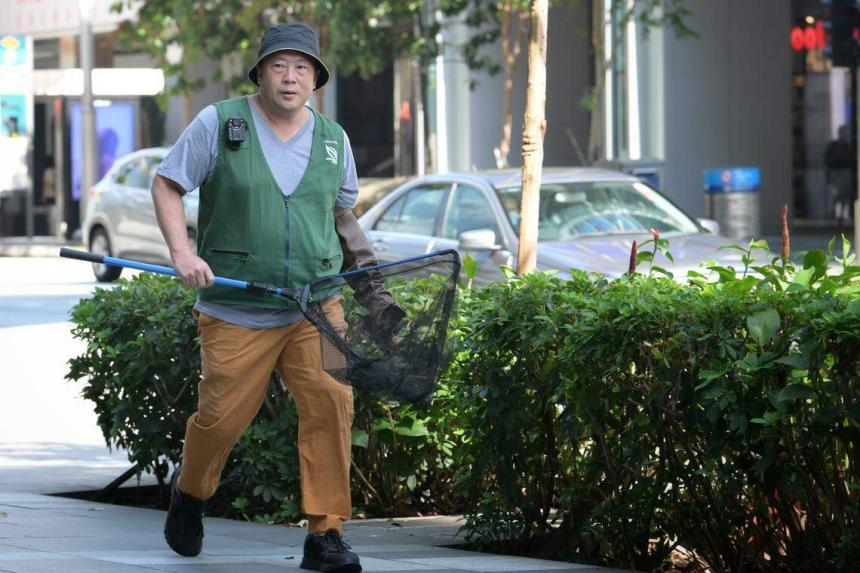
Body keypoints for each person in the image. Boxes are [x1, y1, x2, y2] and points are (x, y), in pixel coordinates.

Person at [151, 22, 400, 572]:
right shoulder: (220, 123)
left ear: (316, 79)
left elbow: (342, 219)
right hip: (236, 307)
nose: (290, 77)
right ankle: (190, 493)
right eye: (279, 66)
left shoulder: (334, 140)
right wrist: (182, 253)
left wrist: (374, 292)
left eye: (302, 68)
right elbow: (167, 183)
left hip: (317, 306)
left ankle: (325, 535)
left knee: (332, 406)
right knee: (221, 418)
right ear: (260, 73)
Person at [824, 124, 853, 224]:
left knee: (843, 194)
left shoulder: (846, 146)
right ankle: (835, 212)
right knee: (837, 193)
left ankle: (840, 214)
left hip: (844, 171)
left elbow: (850, 159)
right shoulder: (834, 145)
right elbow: (827, 159)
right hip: (836, 171)